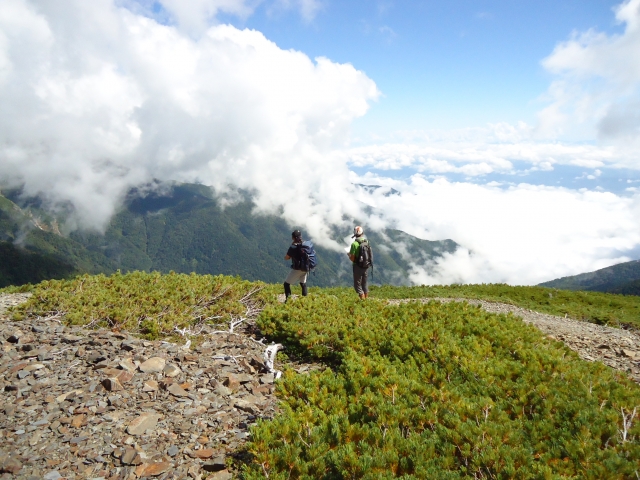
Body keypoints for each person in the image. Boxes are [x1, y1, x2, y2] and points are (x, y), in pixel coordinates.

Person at [283, 230, 308, 302]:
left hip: (298, 268)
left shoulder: (293, 247)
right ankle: (305, 300)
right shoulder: (304, 244)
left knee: (286, 284)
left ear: (293, 237)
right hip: (306, 267)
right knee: (303, 283)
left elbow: (287, 257)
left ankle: (288, 301)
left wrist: (286, 257)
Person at [348, 225, 369, 300]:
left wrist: (349, 255)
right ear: (362, 233)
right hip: (366, 265)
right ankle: (366, 301)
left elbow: (353, 258)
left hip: (357, 266)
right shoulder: (366, 241)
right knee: (364, 283)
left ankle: (362, 302)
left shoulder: (354, 244)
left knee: (358, 285)